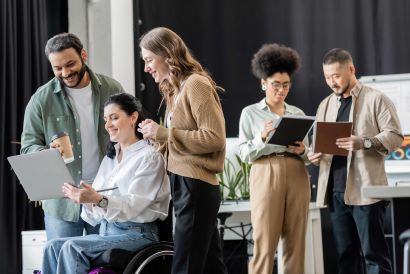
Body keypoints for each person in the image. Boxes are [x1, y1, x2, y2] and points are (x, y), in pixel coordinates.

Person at [41, 93, 171, 273]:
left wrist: (98, 199)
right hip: (107, 231)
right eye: (105, 119)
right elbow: (95, 215)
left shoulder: (150, 157)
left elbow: (134, 204)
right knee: (52, 246)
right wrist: (85, 199)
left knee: (72, 247)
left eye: (114, 118)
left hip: (137, 233)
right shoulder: (109, 159)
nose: (108, 124)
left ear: (133, 117)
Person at [138, 27, 227, 274]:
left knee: (185, 264)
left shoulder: (195, 84)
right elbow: (179, 142)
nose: (146, 68)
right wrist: (156, 138)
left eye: (148, 60)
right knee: (210, 265)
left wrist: (164, 133)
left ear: (167, 55)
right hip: (186, 183)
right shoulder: (175, 90)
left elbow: (214, 138)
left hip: (196, 185)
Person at [308, 48, 403, 274]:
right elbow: (316, 143)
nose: (332, 82)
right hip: (335, 192)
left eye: (336, 76)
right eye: (327, 77)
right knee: (345, 256)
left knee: (374, 256)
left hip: (366, 192)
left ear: (351, 69)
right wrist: (314, 155)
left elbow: (396, 136)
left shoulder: (375, 98)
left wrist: (365, 142)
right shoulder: (325, 105)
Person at [20, 33, 124, 240]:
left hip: (104, 195)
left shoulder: (112, 89)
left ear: (83, 55)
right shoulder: (41, 99)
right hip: (63, 201)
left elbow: (129, 132)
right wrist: (46, 153)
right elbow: (28, 146)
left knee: (104, 267)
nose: (65, 72)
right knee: (62, 264)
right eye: (58, 68)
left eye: (70, 64)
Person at [238, 43, 311, 274]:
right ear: (263, 83)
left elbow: (308, 154)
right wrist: (262, 137)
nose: (281, 90)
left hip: (297, 173)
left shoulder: (297, 113)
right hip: (265, 171)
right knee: (264, 242)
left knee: (295, 242)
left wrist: (302, 151)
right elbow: (244, 153)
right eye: (275, 85)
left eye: (286, 85)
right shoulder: (250, 113)